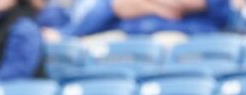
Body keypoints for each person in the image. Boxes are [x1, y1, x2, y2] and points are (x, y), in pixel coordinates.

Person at [63, 0, 229, 36]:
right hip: (129, 32)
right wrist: (156, 6)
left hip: (190, 33)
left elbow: (182, 5)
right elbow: (119, 6)